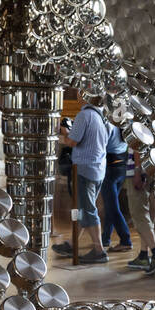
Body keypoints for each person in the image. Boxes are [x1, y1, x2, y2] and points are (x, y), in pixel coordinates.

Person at [53, 94, 109, 263]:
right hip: (98, 168)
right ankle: (72, 243)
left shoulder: (84, 115)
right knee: (83, 208)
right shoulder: (101, 116)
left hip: (84, 169)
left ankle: (99, 251)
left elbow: (72, 141)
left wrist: (64, 130)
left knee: (88, 209)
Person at [124, 155, 155, 275]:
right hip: (152, 168)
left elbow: (137, 143)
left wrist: (138, 171)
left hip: (138, 170)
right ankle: (143, 256)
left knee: (139, 215)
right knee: (146, 216)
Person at [99, 117, 132, 253]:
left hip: (110, 167)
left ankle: (125, 240)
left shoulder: (108, 125)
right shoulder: (127, 123)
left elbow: (101, 145)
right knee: (111, 204)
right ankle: (106, 237)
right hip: (121, 166)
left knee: (112, 207)